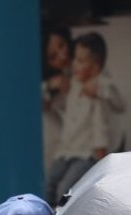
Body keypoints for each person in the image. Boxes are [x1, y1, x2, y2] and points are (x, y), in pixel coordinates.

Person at [45, 32, 126, 206]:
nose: (74, 64)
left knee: (65, 190)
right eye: (75, 58)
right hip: (66, 150)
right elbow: (60, 106)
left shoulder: (98, 86)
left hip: (86, 153)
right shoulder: (73, 82)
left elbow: (103, 119)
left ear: (95, 67)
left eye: (81, 61)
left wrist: (100, 147)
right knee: (50, 185)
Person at [41, 26, 73, 174]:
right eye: (53, 56)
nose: (62, 55)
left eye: (62, 45)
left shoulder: (87, 63)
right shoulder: (51, 83)